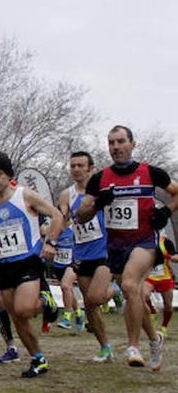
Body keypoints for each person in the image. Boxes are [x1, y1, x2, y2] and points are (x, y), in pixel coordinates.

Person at [75, 126, 174, 371]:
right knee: (120, 296)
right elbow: (81, 215)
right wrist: (99, 203)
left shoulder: (150, 172)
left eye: (120, 141)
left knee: (130, 285)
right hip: (115, 247)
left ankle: (133, 347)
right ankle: (154, 340)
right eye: (111, 143)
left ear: (133, 144)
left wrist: (166, 211)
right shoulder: (100, 179)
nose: (116, 147)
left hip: (144, 242)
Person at [0, 152, 63, 378]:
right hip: (4, 264)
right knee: (17, 318)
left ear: (9, 175)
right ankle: (39, 358)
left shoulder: (24, 195)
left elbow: (57, 215)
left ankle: (47, 301)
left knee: (24, 309)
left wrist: (51, 243)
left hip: (28, 261)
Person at [60, 151, 115, 362]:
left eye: (80, 165)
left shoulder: (102, 190)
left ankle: (115, 290)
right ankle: (105, 347)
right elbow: (64, 219)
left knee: (94, 297)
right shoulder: (67, 195)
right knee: (90, 306)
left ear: (90, 168)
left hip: (103, 250)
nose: (76, 169)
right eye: (73, 165)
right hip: (81, 253)